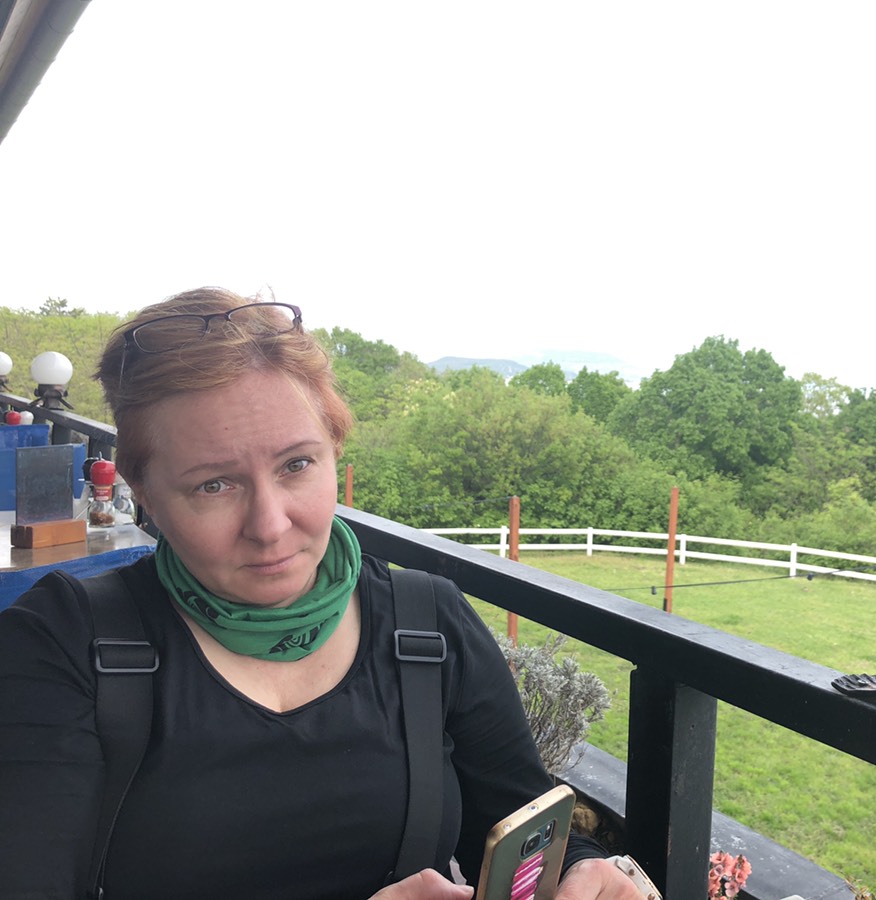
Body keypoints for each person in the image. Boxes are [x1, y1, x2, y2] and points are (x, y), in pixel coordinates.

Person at [0, 287, 643, 900]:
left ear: (335, 450)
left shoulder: (428, 624)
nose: (270, 525)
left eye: (296, 465)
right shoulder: (61, 645)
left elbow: (524, 832)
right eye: (213, 485)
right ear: (142, 492)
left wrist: (581, 873)